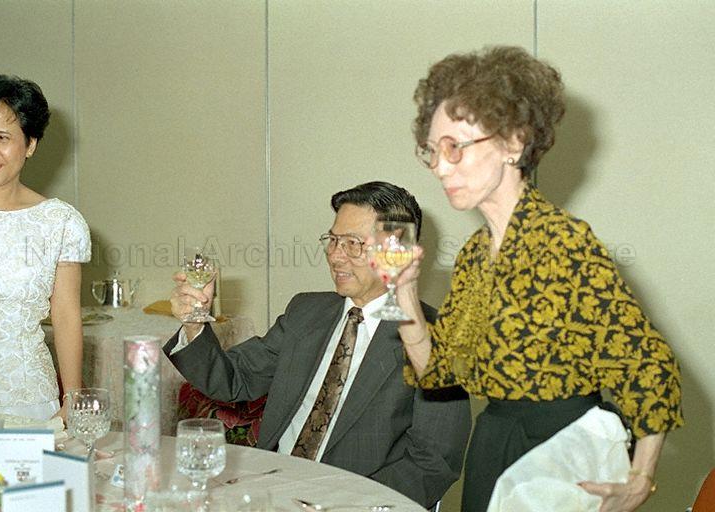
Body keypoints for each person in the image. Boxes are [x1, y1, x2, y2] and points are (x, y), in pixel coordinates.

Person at [391, 46, 684, 512]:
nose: (439, 167)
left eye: (455, 147)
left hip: (559, 453)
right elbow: (438, 374)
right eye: (431, 150)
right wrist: (404, 295)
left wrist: (640, 478)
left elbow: (647, 364)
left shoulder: (563, 242)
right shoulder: (473, 257)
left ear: (513, 142)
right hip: (494, 444)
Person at [165, 181, 471, 508]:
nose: (335, 256)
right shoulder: (307, 312)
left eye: (353, 243)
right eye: (333, 240)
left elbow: (434, 462)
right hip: (270, 489)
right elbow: (233, 380)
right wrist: (195, 323)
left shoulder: (434, 337)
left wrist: (348, 502)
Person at [0, 74, 90, 421]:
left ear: (30, 144)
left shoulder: (60, 223)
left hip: (28, 401)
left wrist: (72, 399)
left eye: (3, 138)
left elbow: (66, 316)